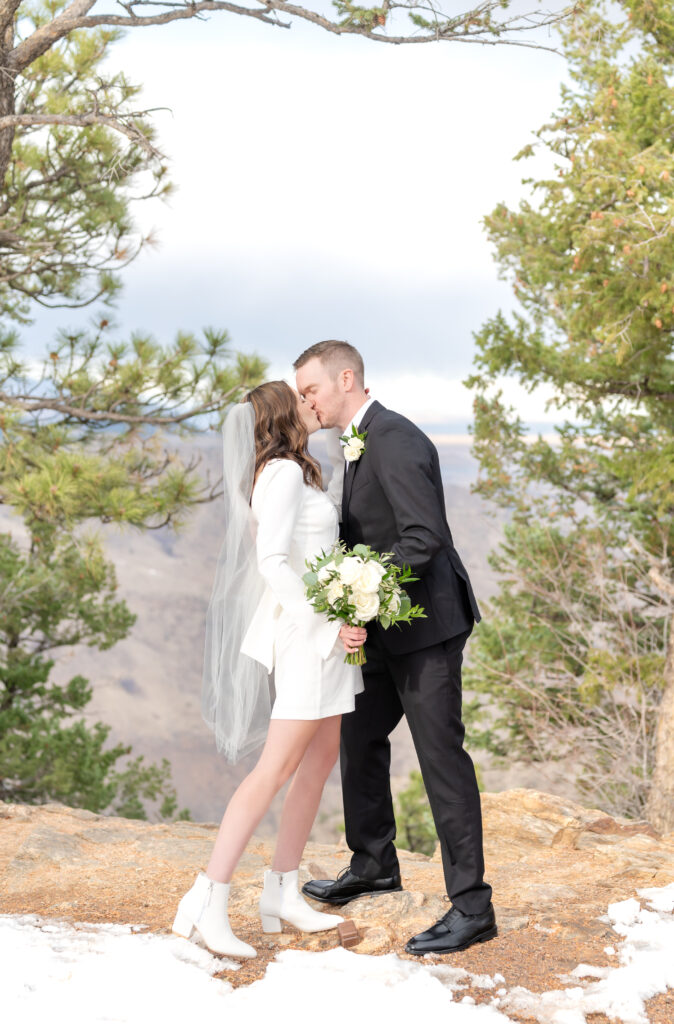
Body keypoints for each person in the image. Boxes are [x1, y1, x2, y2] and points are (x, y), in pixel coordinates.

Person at [294, 340, 496, 955]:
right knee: (358, 738)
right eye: (301, 393)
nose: (306, 401)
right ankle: (374, 862)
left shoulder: (396, 437)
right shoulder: (357, 441)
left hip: (428, 627)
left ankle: (472, 906)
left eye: (312, 390)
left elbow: (424, 537)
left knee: (441, 760)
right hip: (383, 627)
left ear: (347, 378)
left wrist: (360, 591)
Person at [172, 380, 366, 958]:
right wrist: (327, 626)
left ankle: (282, 889)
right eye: (302, 399)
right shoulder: (280, 473)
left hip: (327, 637)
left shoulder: (297, 469)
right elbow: (274, 563)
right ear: (286, 413)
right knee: (275, 769)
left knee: (323, 757)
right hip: (307, 638)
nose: (313, 403)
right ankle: (208, 897)